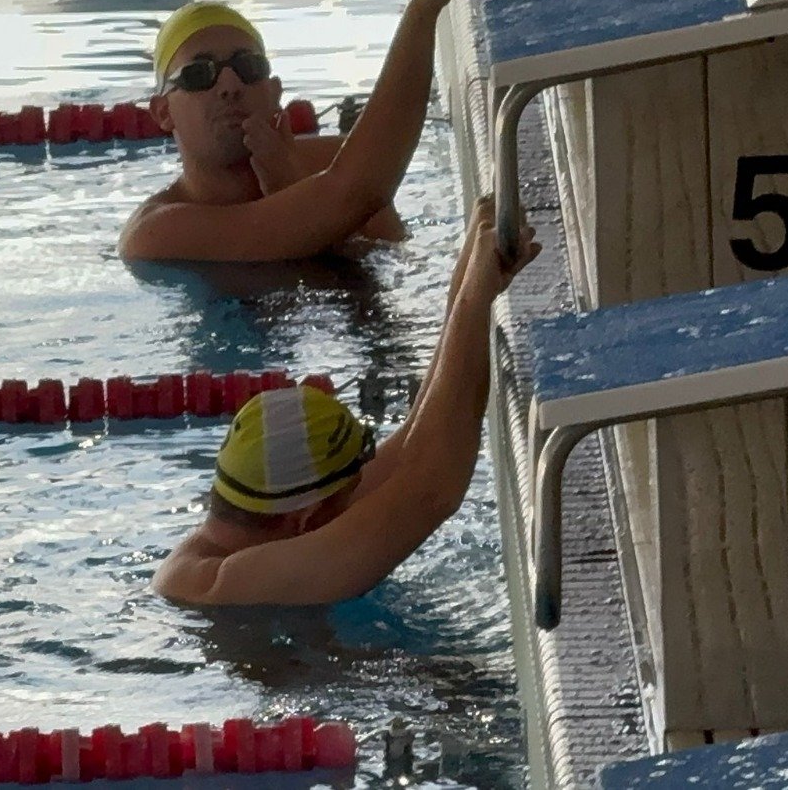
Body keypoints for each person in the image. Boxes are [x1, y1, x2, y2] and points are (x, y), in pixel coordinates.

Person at [152, 198, 541, 605]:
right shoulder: (224, 582)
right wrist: (476, 296)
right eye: (346, 495)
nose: (359, 500)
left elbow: (414, 448)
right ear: (305, 519)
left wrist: (470, 275)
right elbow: (432, 487)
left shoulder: (257, 533)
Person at [118, 0, 465, 263]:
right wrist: (421, 14)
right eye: (199, 74)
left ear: (273, 93)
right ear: (163, 112)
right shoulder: (154, 234)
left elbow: (390, 260)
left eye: (247, 66)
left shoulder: (337, 159)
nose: (229, 85)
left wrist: (292, 181)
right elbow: (356, 194)